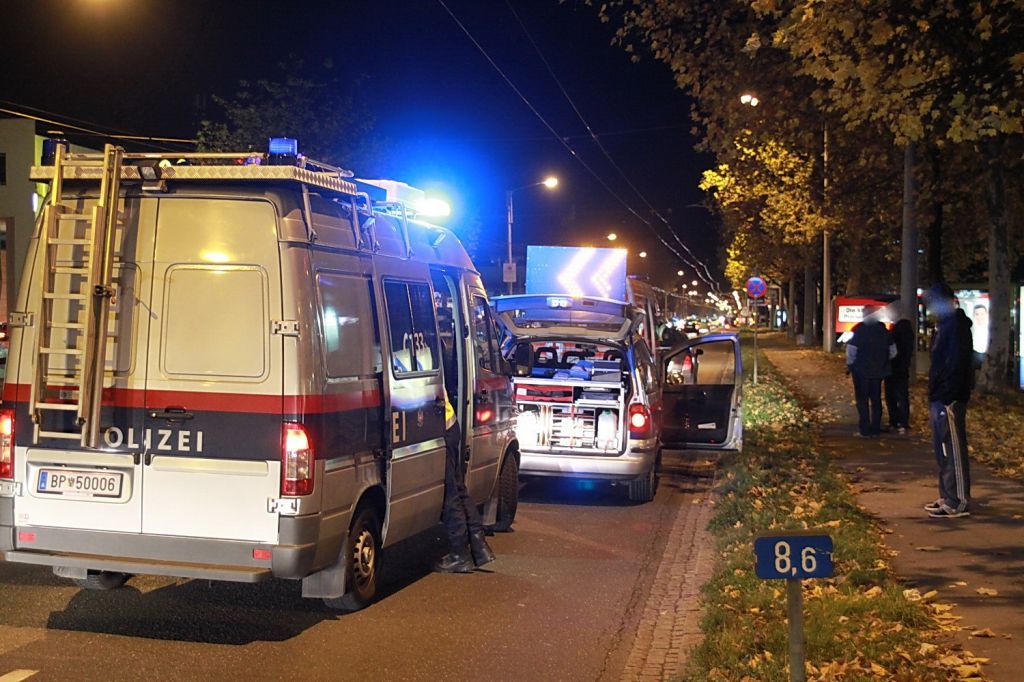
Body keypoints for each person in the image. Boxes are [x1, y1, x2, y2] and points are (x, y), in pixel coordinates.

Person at [433, 357, 496, 573]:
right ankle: (479, 547)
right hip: (450, 426)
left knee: (450, 493)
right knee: (458, 490)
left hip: (441, 427)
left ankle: (460, 554)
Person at [923, 283, 974, 519]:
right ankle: (948, 496)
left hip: (949, 397)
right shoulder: (946, 325)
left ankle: (958, 500)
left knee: (952, 448)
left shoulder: (956, 326)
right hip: (942, 396)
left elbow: (955, 363)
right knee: (943, 449)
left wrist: (947, 395)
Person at [846, 305, 896, 437]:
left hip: (861, 370)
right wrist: (883, 361)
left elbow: (851, 350)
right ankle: (875, 429)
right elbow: (893, 351)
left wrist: (850, 364)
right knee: (876, 399)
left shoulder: (859, 329)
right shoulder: (883, 330)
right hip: (878, 370)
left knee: (862, 400)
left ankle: (864, 429)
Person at [884, 318, 914, 433]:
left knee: (890, 396)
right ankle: (904, 422)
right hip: (903, 370)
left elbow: (891, 352)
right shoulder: (909, 339)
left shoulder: (893, 337)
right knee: (902, 396)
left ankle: (893, 421)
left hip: (891, 369)